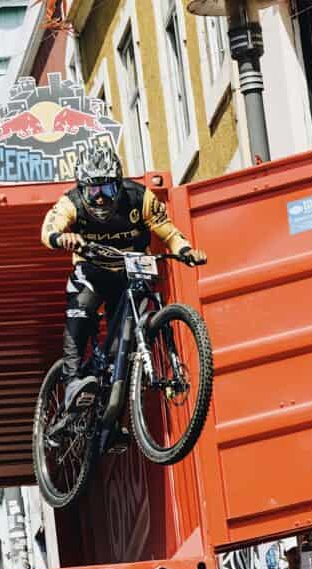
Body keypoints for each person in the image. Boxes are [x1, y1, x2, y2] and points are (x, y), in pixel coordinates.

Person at [40, 145, 207, 417]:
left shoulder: (140, 198)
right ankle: (71, 383)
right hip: (92, 270)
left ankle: (114, 415)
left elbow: (170, 233)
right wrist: (62, 238)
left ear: (119, 184)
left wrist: (186, 252)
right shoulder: (70, 202)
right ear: (82, 188)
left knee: (127, 340)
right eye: (93, 191)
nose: (101, 199)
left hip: (131, 272)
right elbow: (48, 229)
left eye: (108, 190)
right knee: (81, 309)